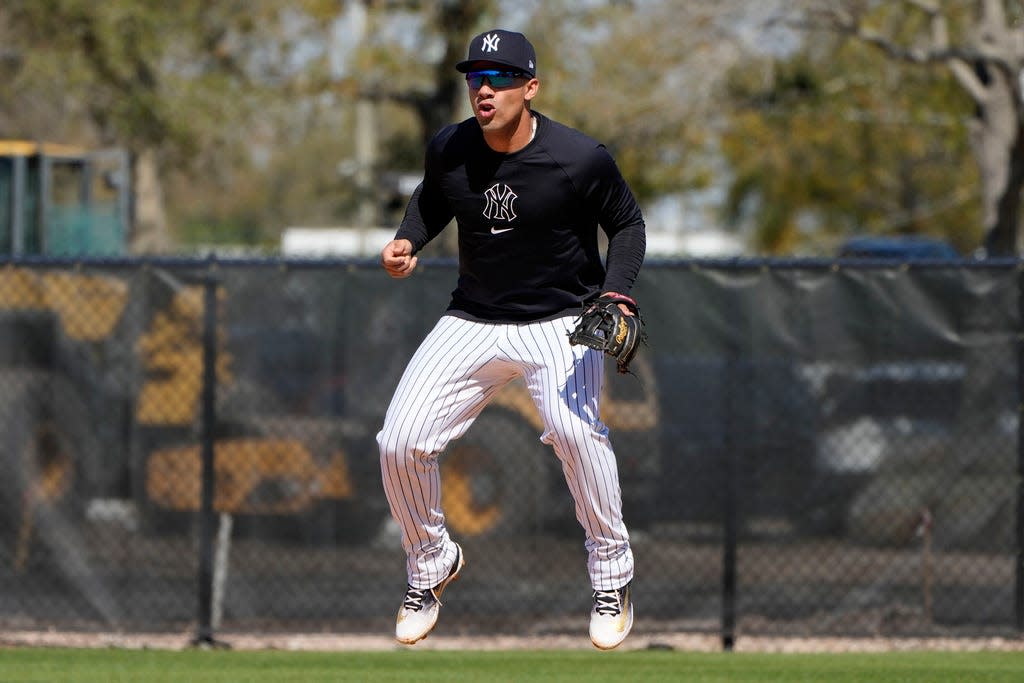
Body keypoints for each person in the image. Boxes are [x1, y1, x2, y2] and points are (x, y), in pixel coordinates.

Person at [377, 28, 646, 651]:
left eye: (499, 77)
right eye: (476, 77)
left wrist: (618, 291)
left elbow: (627, 224)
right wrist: (407, 241)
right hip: (472, 318)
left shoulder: (579, 158)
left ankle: (612, 575)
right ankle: (431, 562)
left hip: (560, 322)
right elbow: (432, 199)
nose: (485, 88)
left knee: (576, 431)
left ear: (531, 87)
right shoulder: (450, 147)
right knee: (399, 440)